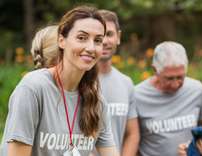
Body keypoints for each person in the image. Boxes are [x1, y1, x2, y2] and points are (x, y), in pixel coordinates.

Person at [0, 5, 119, 156]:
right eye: (82, 38)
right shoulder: (33, 88)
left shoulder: (97, 102)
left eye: (98, 40)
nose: (91, 47)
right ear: (62, 41)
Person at [133, 41, 202, 156]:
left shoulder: (197, 91)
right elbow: (131, 140)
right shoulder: (137, 96)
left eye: (180, 77)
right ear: (155, 70)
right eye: (169, 78)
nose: (175, 84)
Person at [96, 9, 139, 156]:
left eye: (109, 34)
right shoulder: (76, 81)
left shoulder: (126, 83)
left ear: (118, 37)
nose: (105, 41)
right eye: (99, 36)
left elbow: (132, 134)